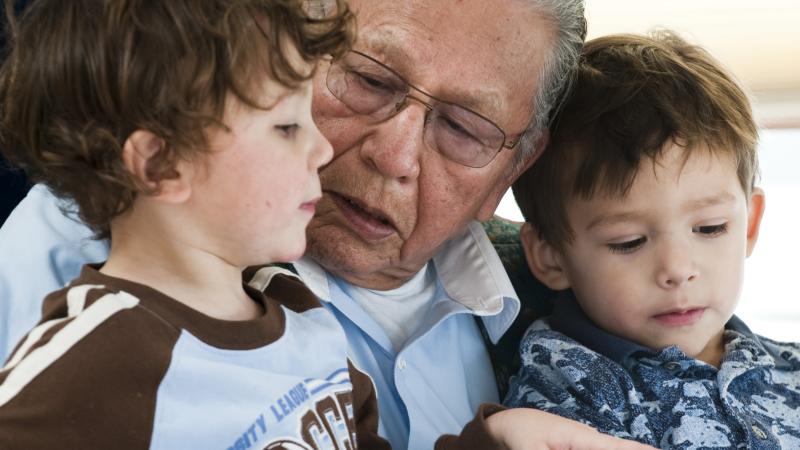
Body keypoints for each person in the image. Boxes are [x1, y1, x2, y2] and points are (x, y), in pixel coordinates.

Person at [0, 0, 654, 449]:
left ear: (514, 168)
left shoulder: (574, 286)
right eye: (368, 81)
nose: (393, 156)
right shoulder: (80, 241)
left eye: (462, 129)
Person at [0, 1, 396, 449]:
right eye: (286, 126)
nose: (322, 150)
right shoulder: (90, 364)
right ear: (162, 166)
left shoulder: (299, 310)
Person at [505, 31, 800, 448]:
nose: (678, 270)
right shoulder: (564, 397)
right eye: (628, 242)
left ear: (749, 225)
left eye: (710, 228)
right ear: (552, 256)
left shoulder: (790, 366)